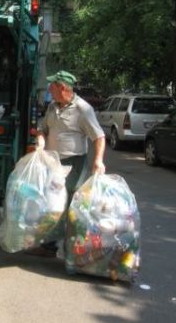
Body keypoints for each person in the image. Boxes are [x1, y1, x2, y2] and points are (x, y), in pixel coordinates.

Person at [30, 70, 106, 257]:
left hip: (74, 164)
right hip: (54, 164)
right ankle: (50, 245)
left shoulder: (83, 109)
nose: (49, 89)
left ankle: (73, 249)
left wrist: (98, 160)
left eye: (52, 86)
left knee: (70, 205)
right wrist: (40, 139)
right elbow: (42, 128)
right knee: (53, 204)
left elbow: (99, 136)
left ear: (62, 87)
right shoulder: (52, 107)